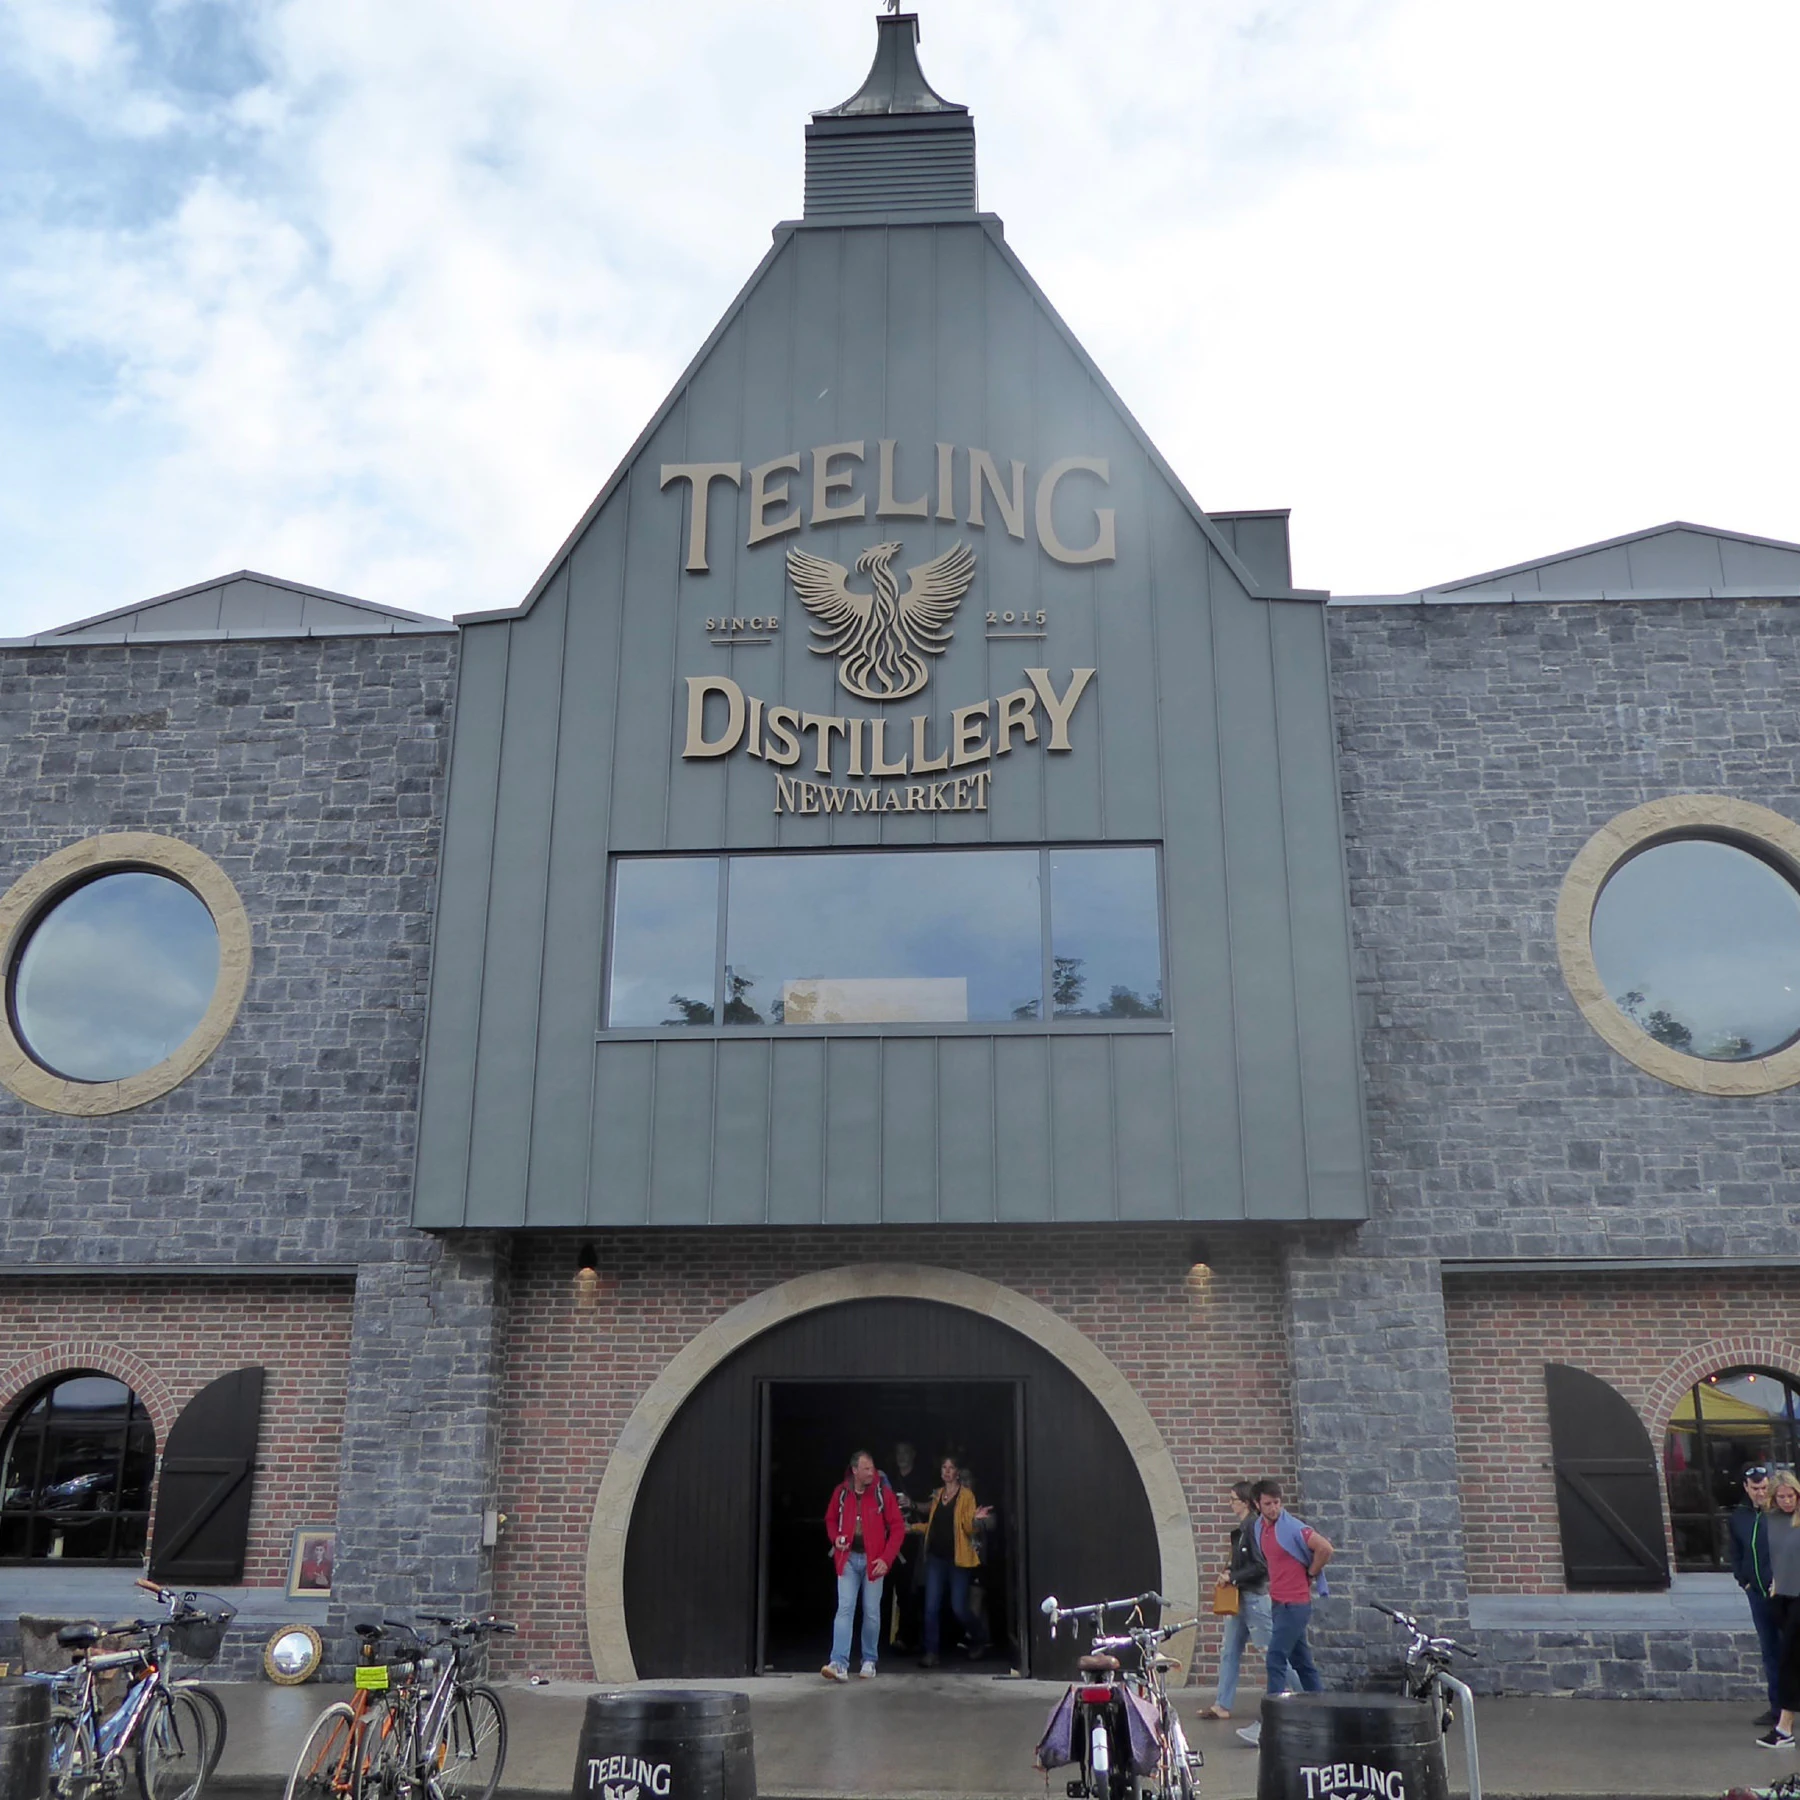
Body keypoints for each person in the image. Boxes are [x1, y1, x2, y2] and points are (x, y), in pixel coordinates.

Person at [1236, 1478, 1332, 1748]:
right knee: (1303, 1664)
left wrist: (1311, 1573)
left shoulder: (1293, 1528)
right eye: (1268, 1504)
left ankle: (1270, 1725)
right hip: (1279, 1604)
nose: (1274, 1508)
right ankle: (1325, 1717)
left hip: (1296, 1605)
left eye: (1277, 1503)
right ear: (1258, 1504)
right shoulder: (1259, 1528)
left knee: (1276, 1658)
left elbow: (1325, 1548)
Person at [822, 1449, 906, 1681]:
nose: (872, 1472)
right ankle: (838, 1663)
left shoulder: (883, 1494)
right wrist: (836, 1537)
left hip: (874, 1561)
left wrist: (886, 1559)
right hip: (847, 1559)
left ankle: (869, 1660)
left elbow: (898, 1528)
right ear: (855, 1471)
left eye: (873, 1467)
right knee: (845, 1609)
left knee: (871, 1612)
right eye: (867, 1468)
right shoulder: (841, 1493)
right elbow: (830, 1519)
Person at [918, 1455, 993, 1667]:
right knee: (931, 1606)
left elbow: (968, 1529)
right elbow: (932, 1526)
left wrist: (975, 1520)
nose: (947, 1471)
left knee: (959, 1607)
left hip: (957, 1559)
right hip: (936, 1558)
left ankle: (979, 1638)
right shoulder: (937, 1494)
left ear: (957, 1472)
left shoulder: (966, 1495)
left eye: (951, 1467)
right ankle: (932, 1653)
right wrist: (913, 1527)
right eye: (944, 1467)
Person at [1206, 1481, 1271, 1720]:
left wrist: (1232, 1576)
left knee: (1270, 1651)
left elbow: (1261, 1566)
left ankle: (1300, 1694)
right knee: (1229, 1651)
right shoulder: (1244, 1529)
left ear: (1245, 1502)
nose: (1230, 1504)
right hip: (1240, 1598)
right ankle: (1222, 1704)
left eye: (1233, 1499)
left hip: (1253, 1597)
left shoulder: (1254, 1527)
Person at [1731, 1464, 1781, 1728]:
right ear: (1746, 1488)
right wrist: (1744, 1581)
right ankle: (1778, 1708)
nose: (1760, 1493)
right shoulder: (1739, 1517)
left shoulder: (1782, 1513)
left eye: (1764, 1488)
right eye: (1755, 1489)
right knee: (1770, 1651)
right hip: (1758, 1595)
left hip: (1785, 1593)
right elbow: (1736, 1553)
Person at [1757, 1469, 1800, 1749]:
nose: (1787, 1501)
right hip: (1781, 1596)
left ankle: (1784, 1728)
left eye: (1791, 1496)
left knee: (1789, 1660)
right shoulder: (1770, 1521)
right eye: (1781, 1497)